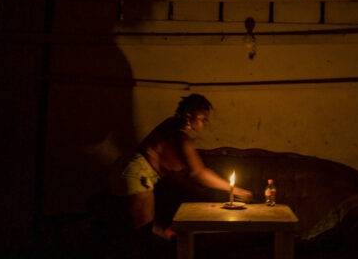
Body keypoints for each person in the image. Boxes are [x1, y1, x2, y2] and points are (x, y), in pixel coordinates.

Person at [107, 94, 252, 251]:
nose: (205, 123)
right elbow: (199, 173)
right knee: (143, 233)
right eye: (202, 119)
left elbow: (180, 169)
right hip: (136, 174)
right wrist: (235, 190)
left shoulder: (172, 126)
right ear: (189, 116)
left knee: (150, 230)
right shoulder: (179, 136)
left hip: (131, 171)